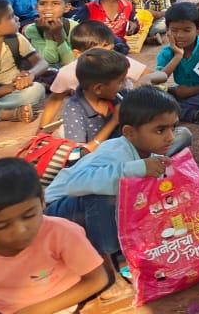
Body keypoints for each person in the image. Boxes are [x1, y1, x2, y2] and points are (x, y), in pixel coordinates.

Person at [44, 86, 180, 281]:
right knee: (104, 195)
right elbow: (75, 185)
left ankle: (121, 248)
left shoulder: (151, 153)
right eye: (160, 130)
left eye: (173, 127)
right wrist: (138, 168)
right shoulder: (115, 151)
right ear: (130, 133)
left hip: (89, 217)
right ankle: (109, 262)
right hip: (58, 213)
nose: (171, 137)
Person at [0, 158, 110, 314]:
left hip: (56, 307)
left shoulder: (62, 233)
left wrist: (33, 311)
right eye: (2, 226)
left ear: (43, 202)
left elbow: (97, 279)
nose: (20, 230)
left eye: (29, 216)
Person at [0, 0, 47, 123]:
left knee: (37, 89)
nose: (17, 18)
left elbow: (42, 63)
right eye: (11, 16)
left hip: (13, 92)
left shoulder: (16, 39)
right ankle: (5, 113)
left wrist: (30, 75)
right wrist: (2, 91)